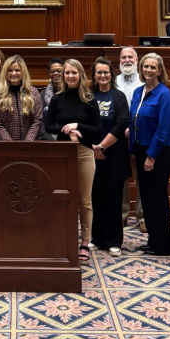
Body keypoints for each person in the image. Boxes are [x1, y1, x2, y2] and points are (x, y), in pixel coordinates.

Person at [46, 59, 101, 264]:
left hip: (84, 153)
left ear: (80, 75)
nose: (70, 76)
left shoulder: (89, 99)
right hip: (62, 154)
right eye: (66, 73)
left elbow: (97, 131)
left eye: (74, 73)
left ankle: (85, 242)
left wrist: (78, 125)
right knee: (62, 198)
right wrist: (65, 129)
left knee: (84, 200)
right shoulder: (57, 99)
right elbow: (48, 125)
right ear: (62, 76)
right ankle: (64, 238)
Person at [130, 52, 170, 256]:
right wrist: (133, 149)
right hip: (140, 149)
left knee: (157, 198)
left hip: (158, 152)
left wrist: (151, 156)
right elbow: (134, 122)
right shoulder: (138, 92)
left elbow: (164, 128)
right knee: (147, 197)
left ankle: (164, 245)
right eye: (145, 66)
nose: (148, 70)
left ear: (160, 71)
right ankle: (153, 240)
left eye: (152, 67)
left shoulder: (164, 94)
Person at [89, 57, 131, 256]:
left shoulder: (119, 96)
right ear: (94, 76)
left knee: (114, 198)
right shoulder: (89, 96)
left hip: (113, 155)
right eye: (99, 72)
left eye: (106, 72)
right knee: (95, 196)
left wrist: (102, 147)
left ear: (111, 75)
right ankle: (96, 238)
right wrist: (94, 149)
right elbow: (83, 123)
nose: (103, 75)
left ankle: (114, 240)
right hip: (91, 154)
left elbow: (121, 123)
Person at [116, 46, 146, 233]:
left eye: (130, 57)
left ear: (137, 60)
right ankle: (122, 214)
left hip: (140, 135)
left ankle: (142, 216)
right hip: (118, 136)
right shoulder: (114, 81)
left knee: (142, 176)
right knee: (121, 177)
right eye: (123, 57)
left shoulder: (144, 81)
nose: (127, 60)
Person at [0, 55, 43, 141]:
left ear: (23, 72)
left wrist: (28, 141)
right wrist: (10, 143)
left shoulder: (33, 93)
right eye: (10, 70)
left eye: (17, 70)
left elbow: (37, 121)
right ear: (5, 73)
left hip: (30, 145)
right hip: (5, 146)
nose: (13, 73)